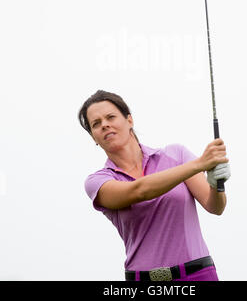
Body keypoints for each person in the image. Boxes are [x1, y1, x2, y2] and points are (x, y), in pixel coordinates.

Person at [79, 90, 231, 282]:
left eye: (110, 117)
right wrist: (199, 164)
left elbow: (216, 207)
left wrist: (217, 185)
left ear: (129, 120)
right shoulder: (97, 181)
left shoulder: (176, 155)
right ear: (93, 137)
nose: (105, 125)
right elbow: (140, 191)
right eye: (96, 124)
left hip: (197, 275)